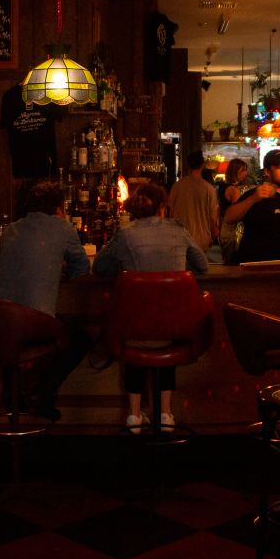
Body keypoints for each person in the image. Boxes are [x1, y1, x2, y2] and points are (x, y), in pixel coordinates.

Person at [94, 181, 208, 430]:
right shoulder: (178, 231)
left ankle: (134, 415)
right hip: (177, 328)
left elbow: (99, 268)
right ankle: (166, 413)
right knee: (166, 332)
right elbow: (202, 266)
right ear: (162, 208)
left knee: (137, 333)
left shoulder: (124, 234)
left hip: (133, 328)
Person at [0, 180, 92, 420]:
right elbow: (81, 269)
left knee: (12, 334)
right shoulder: (63, 228)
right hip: (32, 325)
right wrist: (57, 267)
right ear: (58, 208)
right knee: (80, 338)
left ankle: (13, 401)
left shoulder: (12, 228)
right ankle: (44, 394)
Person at [167, 149, 219, 251]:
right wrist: (214, 233)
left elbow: (170, 212)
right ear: (202, 165)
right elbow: (212, 217)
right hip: (201, 238)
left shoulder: (177, 186)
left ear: (188, 165)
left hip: (180, 237)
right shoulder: (209, 189)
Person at [216, 158, 250, 263]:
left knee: (227, 261)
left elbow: (218, 208)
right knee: (233, 263)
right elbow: (238, 212)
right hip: (233, 230)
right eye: (242, 170)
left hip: (224, 228)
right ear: (235, 172)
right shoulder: (234, 190)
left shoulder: (222, 187)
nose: (245, 173)